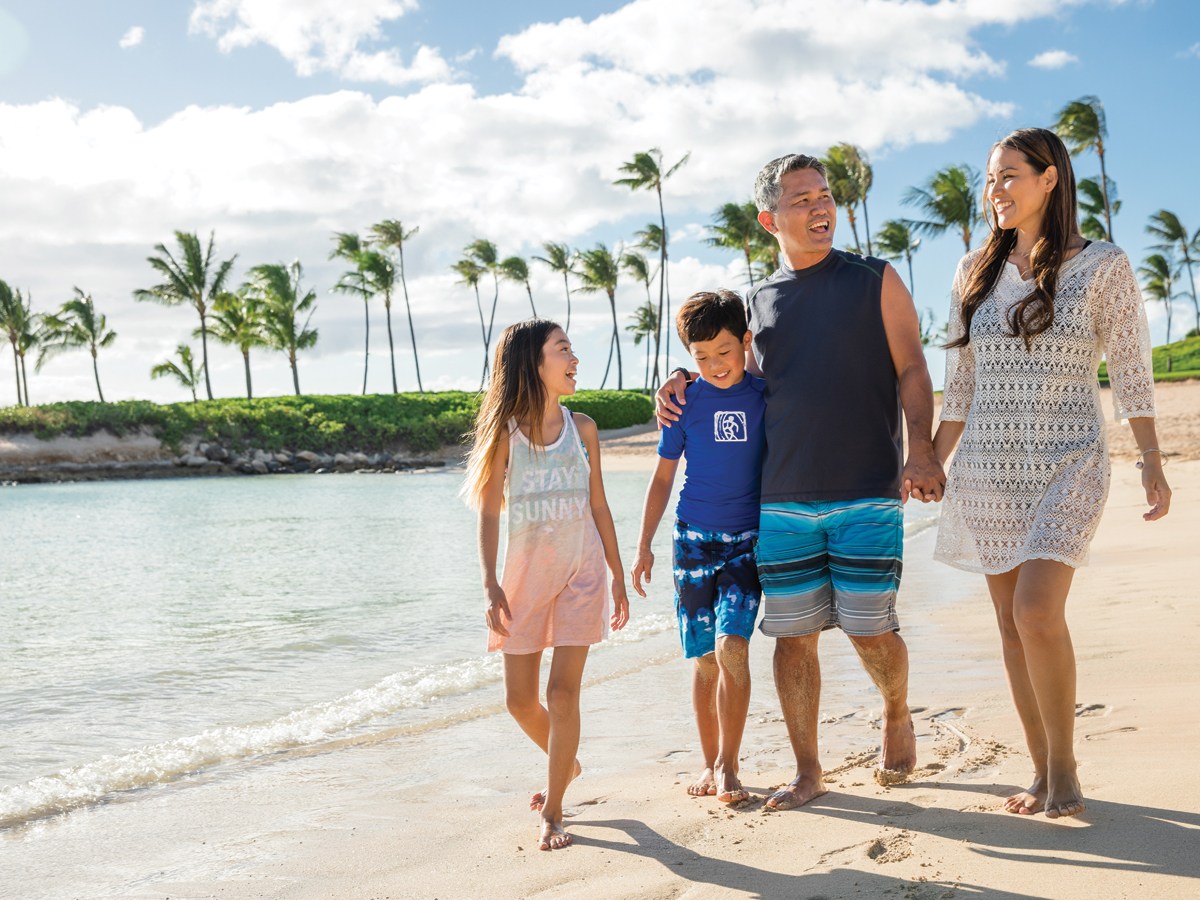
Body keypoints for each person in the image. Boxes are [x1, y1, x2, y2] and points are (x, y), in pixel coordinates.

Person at [657, 154, 944, 810]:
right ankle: (808, 770)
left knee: (872, 630)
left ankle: (895, 710)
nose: (820, 208)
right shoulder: (757, 303)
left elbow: (913, 369)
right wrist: (675, 386)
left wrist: (921, 449)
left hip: (868, 487)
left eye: (825, 196)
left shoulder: (875, 279)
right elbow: (728, 375)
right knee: (793, 638)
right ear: (770, 219)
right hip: (781, 499)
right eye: (802, 200)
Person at [932, 127, 1170, 820]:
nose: (995, 190)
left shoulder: (1104, 265)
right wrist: (927, 462)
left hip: (1069, 460)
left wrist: (1151, 458)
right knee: (1010, 625)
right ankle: (1039, 770)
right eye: (990, 178)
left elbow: (1131, 366)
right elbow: (961, 383)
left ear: (1049, 179)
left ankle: (1065, 769)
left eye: (1009, 175)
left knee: (1037, 611)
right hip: (988, 466)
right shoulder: (973, 269)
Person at [462, 319, 630, 850]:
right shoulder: (504, 435)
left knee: (563, 692)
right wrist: (489, 583)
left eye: (572, 349)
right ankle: (568, 763)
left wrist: (619, 574)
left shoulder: (583, 429)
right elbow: (489, 513)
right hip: (525, 580)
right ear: (534, 363)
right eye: (563, 349)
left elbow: (597, 503)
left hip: (583, 571)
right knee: (519, 700)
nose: (574, 358)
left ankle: (554, 810)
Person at [632, 290, 766, 805]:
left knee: (733, 644)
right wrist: (643, 543)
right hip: (691, 541)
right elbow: (663, 477)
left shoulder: (763, 395)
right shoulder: (684, 401)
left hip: (746, 544)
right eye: (701, 358)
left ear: (746, 342)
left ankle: (730, 766)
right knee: (705, 660)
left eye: (725, 353)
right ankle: (709, 763)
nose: (715, 365)